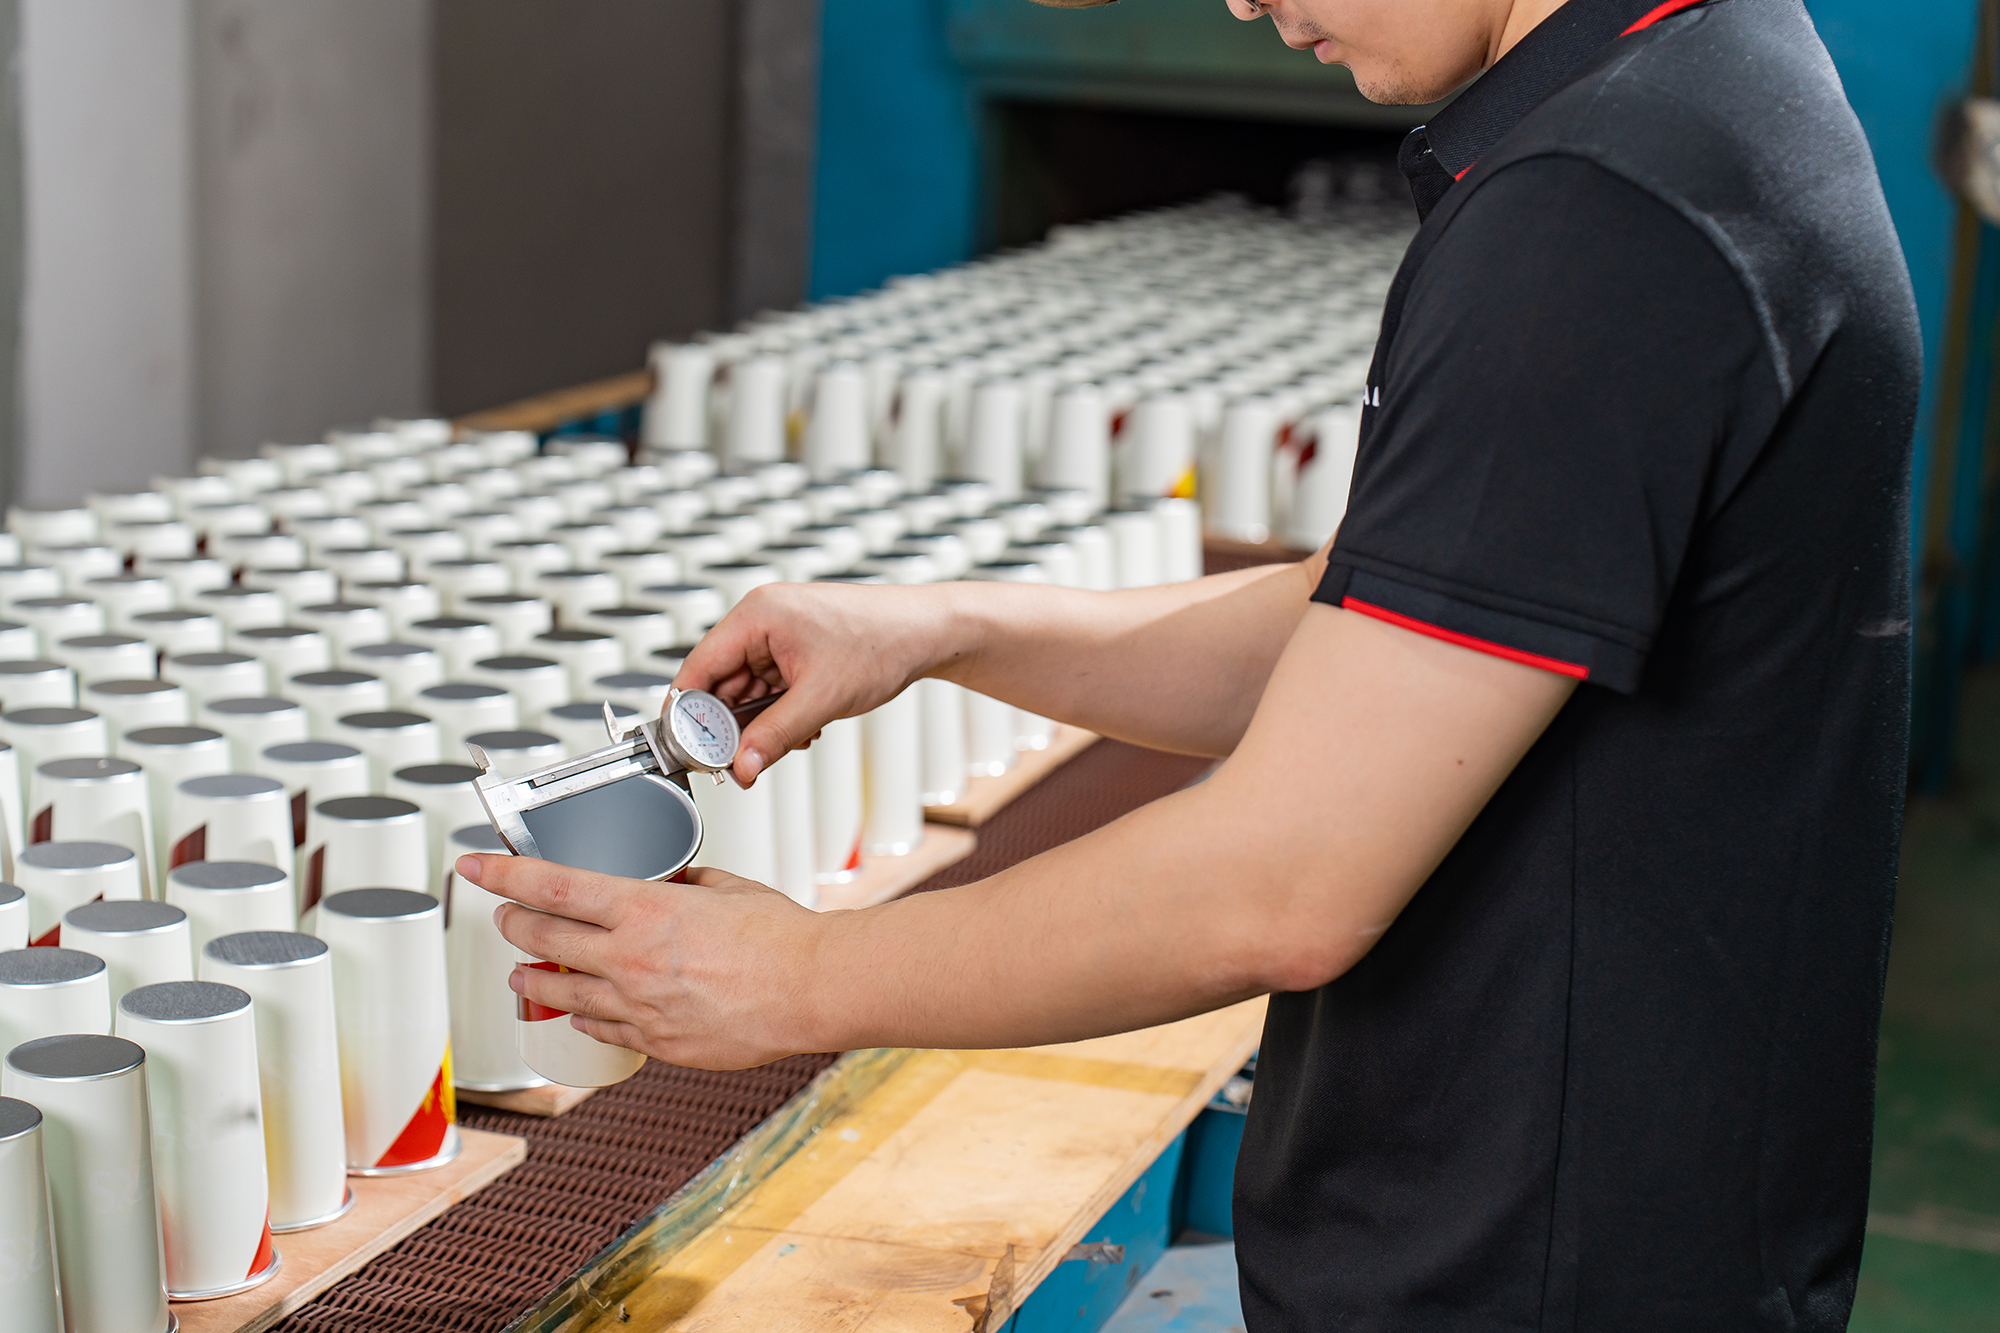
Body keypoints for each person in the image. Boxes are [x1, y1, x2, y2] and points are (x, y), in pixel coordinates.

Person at [454, 0, 1921, 1325]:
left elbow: (1281, 886)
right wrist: (943, 631)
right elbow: (1387, 630)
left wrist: (797, 978)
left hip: (1536, 1274)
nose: (1241, 1)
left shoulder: (1604, 211)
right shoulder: (1711, 92)